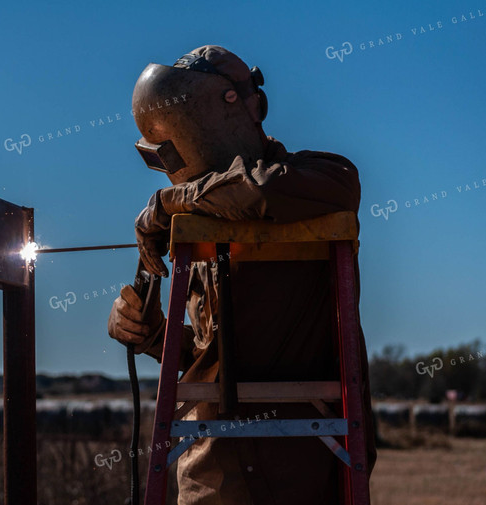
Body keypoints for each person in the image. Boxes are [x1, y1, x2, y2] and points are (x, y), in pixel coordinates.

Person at [107, 45, 376, 504]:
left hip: (308, 466)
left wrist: (168, 203)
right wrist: (150, 334)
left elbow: (264, 190)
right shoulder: (193, 224)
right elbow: (211, 357)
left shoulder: (319, 177)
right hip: (213, 470)